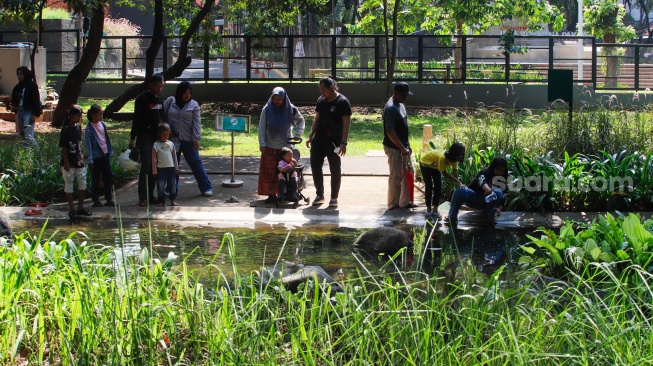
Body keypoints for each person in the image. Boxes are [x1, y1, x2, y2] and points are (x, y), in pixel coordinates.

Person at [306, 76, 351, 208]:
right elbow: (317, 119)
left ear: (331, 89)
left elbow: (346, 123)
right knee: (315, 166)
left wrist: (343, 143)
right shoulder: (321, 100)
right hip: (319, 139)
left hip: (334, 141)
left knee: (335, 169)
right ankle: (320, 195)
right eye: (320, 89)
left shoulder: (342, 102)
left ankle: (334, 198)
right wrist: (310, 135)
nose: (321, 92)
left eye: (323, 89)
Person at [163, 81, 213, 197]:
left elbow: (197, 123)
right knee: (172, 165)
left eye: (189, 93)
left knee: (195, 163)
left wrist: (196, 139)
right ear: (179, 92)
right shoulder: (170, 101)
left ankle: (206, 187)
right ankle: (171, 188)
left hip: (188, 139)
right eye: (185, 93)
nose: (187, 95)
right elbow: (163, 116)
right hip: (172, 139)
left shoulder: (194, 105)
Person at [258, 87, 305, 203]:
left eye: (280, 99)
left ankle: (287, 193)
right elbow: (262, 128)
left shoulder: (291, 109)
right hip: (270, 146)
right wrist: (262, 143)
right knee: (269, 173)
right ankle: (272, 195)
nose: (277, 101)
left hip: (285, 147)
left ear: (284, 98)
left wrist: (298, 134)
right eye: (275, 99)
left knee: (286, 172)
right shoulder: (267, 109)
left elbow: (301, 121)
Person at [130, 73, 165, 207]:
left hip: (158, 137)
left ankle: (151, 195)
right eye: (157, 86)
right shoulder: (142, 99)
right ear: (150, 85)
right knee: (146, 166)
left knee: (155, 167)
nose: (159, 89)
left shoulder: (160, 99)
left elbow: (162, 117)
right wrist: (133, 137)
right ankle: (142, 197)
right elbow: (137, 119)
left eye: (161, 86)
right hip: (145, 136)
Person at [446, 157, 509, 224]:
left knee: (499, 193)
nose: (499, 172)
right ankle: (452, 216)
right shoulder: (484, 173)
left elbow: (503, 198)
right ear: (493, 168)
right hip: (474, 198)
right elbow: (482, 182)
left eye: (502, 171)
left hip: (486, 202)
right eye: (497, 170)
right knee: (460, 190)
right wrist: (489, 191)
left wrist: (498, 209)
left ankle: (489, 215)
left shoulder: (502, 180)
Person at [382, 82, 415, 210]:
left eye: (406, 95)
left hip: (403, 146)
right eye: (403, 95)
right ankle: (393, 204)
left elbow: (403, 127)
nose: (405, 98)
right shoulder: (390, 108)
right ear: (395, 94)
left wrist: (407, 145)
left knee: (408, 173)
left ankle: (405, 202)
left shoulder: (400, 104)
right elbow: (390, 131)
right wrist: (401, 147)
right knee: (396, 176)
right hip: (394, 147)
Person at [59, 105, 92, 219]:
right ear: (71, 116)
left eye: (80, 116)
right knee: (69, 183)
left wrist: (82, 154)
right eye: (78, 116)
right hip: (69, 161)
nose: (79, 118)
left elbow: (79, 143)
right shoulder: (66, 129)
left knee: (82, 183)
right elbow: (63, 147)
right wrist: (66, 162)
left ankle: (80, 207)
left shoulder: (78, 127)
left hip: (79, 160)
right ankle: (72, 209)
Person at [420, 142, 466, 220]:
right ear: (454, 154)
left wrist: (459, 183)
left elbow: (454, 172)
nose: (461, 157)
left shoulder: (454, 160)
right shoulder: (443, 158)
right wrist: (457, 182)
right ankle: (428, 211)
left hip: (435, 166)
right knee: (429, 186)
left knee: (438, 186)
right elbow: (445, 174)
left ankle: (435, 211)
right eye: (460, 154)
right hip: (426, 164)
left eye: (462, 154)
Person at [85, 104, 115, 207]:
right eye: (99, 114)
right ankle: (96, 200)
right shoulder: (89, 129)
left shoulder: (103, 124)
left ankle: (109, 198)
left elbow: (105, 139)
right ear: (93, 115)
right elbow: (88, 145)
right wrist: (90, 159)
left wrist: (109, 151)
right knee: (96, 178)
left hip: (105, 154)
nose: (101, 116)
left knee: (108, 176)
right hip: (96, 156)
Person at [10, 66, 41, 148]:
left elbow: (36, 101)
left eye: (21, 74)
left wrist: (34, 114)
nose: (19, 76)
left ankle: (37, 155)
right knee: (22, 135)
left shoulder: (32, 86)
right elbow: (14, 101)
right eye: (18, 74)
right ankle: (26, 155)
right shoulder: (17, 87)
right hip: (19, 112)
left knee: (29, 136)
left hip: (28, 112)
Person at [152, 123, 179, 207]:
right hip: (161, 169)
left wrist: (176, 167)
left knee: (172, 184)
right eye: (164, 134)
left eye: (167, 134)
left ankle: (173, 199)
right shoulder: (156, 145)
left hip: (171, 168)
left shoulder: (170, 144)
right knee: (161, 185)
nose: (166, 136)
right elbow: (154, 159)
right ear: (159, 134)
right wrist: (154, 170)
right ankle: (161, 201)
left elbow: (174, 156)